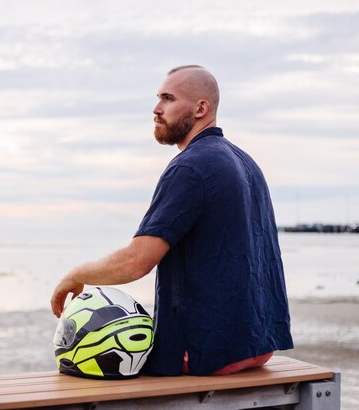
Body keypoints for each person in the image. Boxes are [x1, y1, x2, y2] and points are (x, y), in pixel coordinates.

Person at [50, 65, 293, 376]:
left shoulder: (191, 167)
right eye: (158, 99)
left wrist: (74, 275)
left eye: (168, 99)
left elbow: (136, 262)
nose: (156, 109)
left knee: (79, 359)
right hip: (257, 345)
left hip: (207, 351)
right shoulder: (246, 164)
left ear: (200, 108)